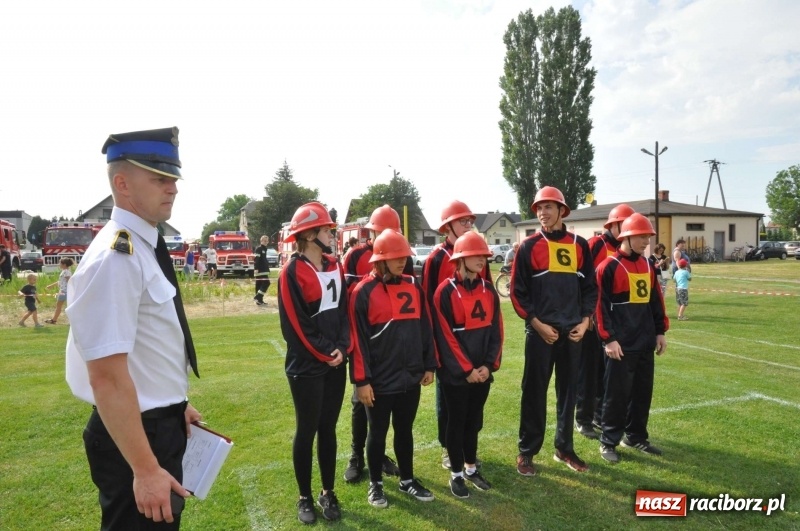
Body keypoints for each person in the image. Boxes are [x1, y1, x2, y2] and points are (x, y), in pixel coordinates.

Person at [65, 127, 202, 529]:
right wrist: (144, 470)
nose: (173, 187)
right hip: (136, 440)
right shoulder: (116, 256)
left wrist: (175, 404)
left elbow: (147, 346)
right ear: (122, 184)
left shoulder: (141, 246)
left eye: (173, 178)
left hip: (155, 425)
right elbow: (106, 377)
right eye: (160, 178)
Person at [510, 186, 597, 475]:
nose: (543, 213)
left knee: (569, 392)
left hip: (573, 333)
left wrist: (585, 322)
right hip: (540, 333)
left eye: (549, 207)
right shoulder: (528, 246)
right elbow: (518, 293)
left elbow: (590, 289)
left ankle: (564, 448)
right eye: (539, 208)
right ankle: (527, 452)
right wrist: (537, 324)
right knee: (533, 392)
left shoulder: (580, 245)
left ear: (562, 210)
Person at [349, 229, 437, 508]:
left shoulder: (413, 285)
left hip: (410, 376)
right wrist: (361, 381)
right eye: (397, 257)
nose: (403, 262)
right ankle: (375, 485)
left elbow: (425, 328)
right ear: (380, 260)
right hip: (378, 381)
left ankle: (407, 480)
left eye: (405, 256)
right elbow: (357, 341)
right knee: (377, 433)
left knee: (405, 430)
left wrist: (429, 364)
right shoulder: (362, 292)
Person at [278, 201, 349, 525]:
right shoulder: (291, 273)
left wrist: (343, 347)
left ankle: (327, 492)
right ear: (308, 235)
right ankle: (305, 496)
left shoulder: (336, 265)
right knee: (306, 431)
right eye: (326, 229)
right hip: (307, 367)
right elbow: (296, 327)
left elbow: (345, 312)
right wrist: (327, 352)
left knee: (328, 430)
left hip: (336, 362)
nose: (332, 234)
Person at [421, 200, 491, 470]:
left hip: (473, 339)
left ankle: (468, 448)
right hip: (445, 341)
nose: (468, 225)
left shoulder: (478, 255)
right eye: (463, 221)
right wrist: (432, 347)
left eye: (470, 221)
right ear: (447, 226)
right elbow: (428, 301)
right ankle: (448, 449)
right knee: (446, 399)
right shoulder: (437, 257)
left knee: (472, 401)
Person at [432, 231, 502, 499]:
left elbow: (497, 331)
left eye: (484, 256)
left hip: (481, 374)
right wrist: (466, 370)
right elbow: (444, 336)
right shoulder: (444, 292)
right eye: (475, 255)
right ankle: (457, 474)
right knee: (456, 422)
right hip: (456, 376)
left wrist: (487, 366)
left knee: (474, 422)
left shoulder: (489, 291)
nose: (482, 260)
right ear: (460, 258)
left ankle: (472, 469)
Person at [342, 205, 409, 483]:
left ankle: (379, 455)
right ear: (372, 232)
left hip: (392, 344)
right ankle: (357, 455)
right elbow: (349, 298)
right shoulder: (356, 255)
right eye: (382, 232)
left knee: (390, 405)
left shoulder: (401, 256)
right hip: (363, 338)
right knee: (361, 401)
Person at [595, 213, 669, 463]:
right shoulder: (608, 266)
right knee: (616, 395)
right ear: (626, 236)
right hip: (620, 344)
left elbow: (655, 301)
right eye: (641, 236)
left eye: (648, 236)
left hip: (645, 341)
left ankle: (636, 437)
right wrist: (608, 339)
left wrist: (660, 331)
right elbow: (599, 306)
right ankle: (608, 442)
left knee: (641, 393)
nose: (646, 241)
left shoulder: (648, 266)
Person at [575, 204, 635, 440]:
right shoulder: (596, 245)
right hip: (591, 319)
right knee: (588, 371)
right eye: (625, 224)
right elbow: (582, 281)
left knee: (605, 373)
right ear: (613, 225)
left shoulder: (628, 252)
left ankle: (600, 415)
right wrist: (586, 314)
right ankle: (583, 418)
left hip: (612, 322)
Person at [45, 257, 74, 324]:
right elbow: (60, 281)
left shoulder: (66, 272)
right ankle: (55, 319)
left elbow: (69, 281)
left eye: (60, 263)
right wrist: (51, 286)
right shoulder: (65, 271)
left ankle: (54, 320)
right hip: (64, 291)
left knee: (59, 306)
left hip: (64, 291)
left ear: (64, 264)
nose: (59, 264)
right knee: (60, 306)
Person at [253, 235, 271, 306]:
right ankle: (257, 297)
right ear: (261, 241)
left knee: (259, 285)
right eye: (264, 241)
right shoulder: (259, 249)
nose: (266, 242)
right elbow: (256, 259)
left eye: (267, 241)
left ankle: (259, 300)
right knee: (266, 283)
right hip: (260, 270)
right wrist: (256, 268)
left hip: (264, 270)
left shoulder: (264, 249)